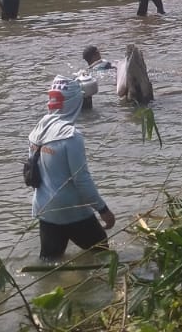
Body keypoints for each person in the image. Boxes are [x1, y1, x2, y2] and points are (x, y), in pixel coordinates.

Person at [28, 77, 116, 261]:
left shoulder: (38, 129)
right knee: (102, 257)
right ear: (74, 102)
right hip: (72, 209)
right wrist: (103, 210)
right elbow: (81, 179)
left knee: (50, 263)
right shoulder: (71, 136)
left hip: (45, 209)